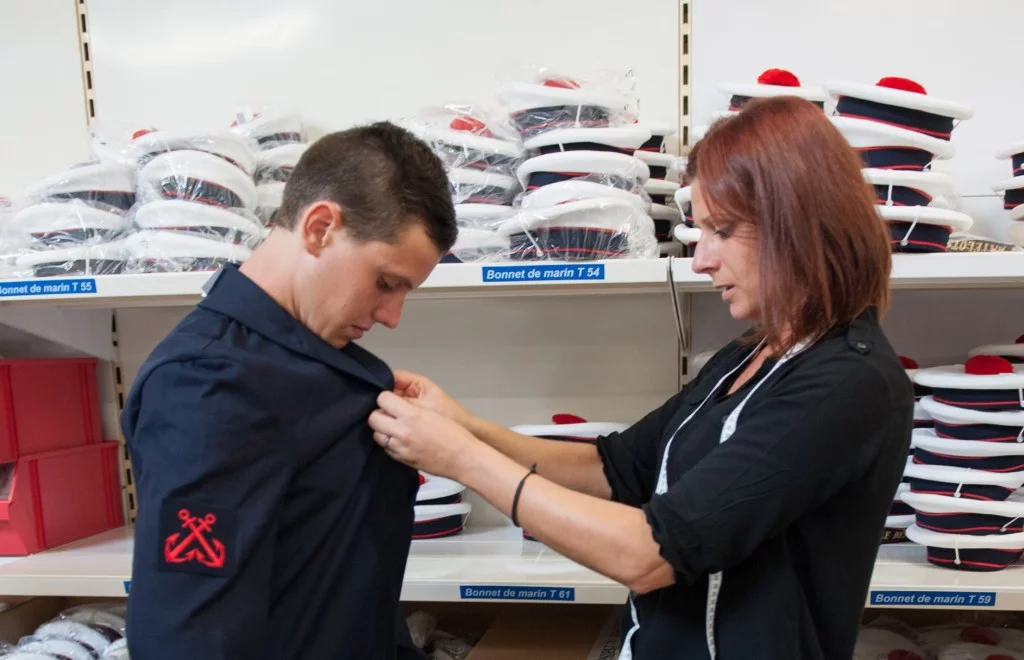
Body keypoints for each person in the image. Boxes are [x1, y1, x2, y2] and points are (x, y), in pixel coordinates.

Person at [368, 97, 914, 660]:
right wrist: (464, 425)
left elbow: (650, 555)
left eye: (721, 230)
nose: (701, 259)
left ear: (798, 220)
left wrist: (460, 457)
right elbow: (613, 467)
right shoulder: (751, 355)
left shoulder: (846, 384)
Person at [122, 122, 457, 659]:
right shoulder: (208, 386)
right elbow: (189, 634)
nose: (392, 316)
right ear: (320, 227)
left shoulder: (328, 363)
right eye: (387, 283)